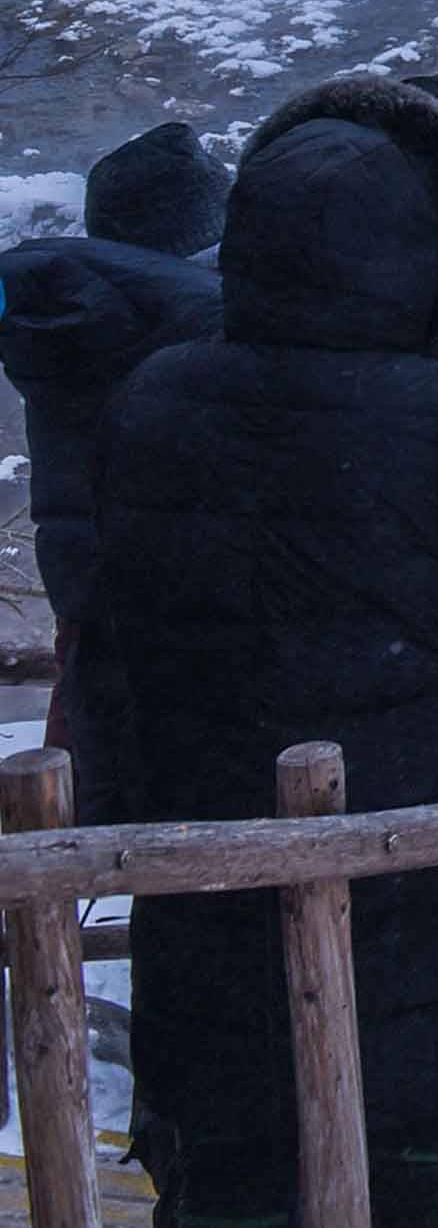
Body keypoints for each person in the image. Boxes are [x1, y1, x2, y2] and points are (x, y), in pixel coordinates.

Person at [96, 75, 438, 1228]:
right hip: (407, 902)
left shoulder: (159, 394)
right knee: (402, 1175)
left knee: (230, 1181)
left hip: (210, 882)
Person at [0, 122, 228, 797]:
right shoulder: (173, 334)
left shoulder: (72, 326)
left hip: (92, 603)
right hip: (180, 615)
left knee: (79, 809)